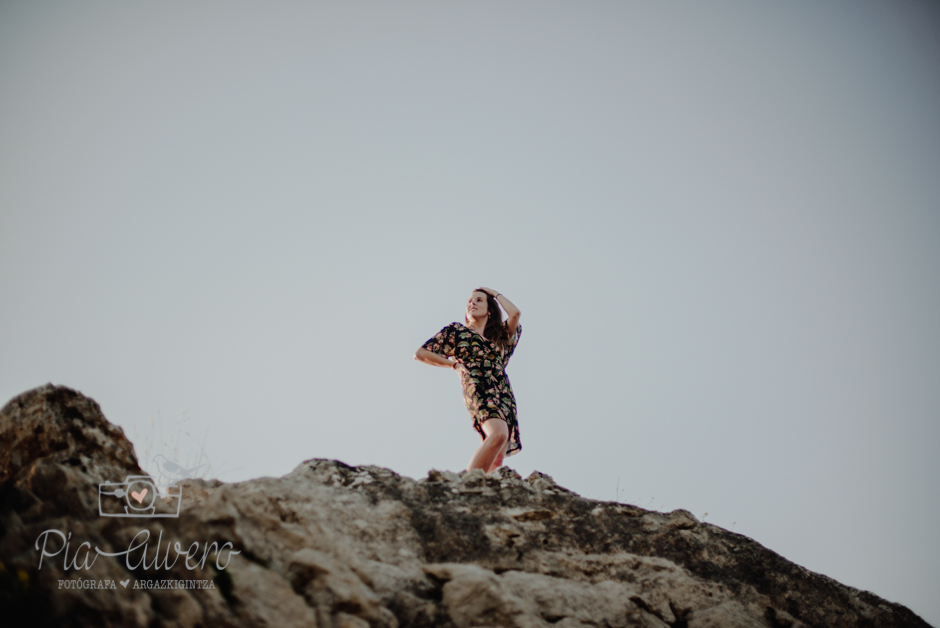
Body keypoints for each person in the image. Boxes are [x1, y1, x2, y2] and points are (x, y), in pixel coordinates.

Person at [415, 288, 522, 474]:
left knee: (497, 456)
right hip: (478, 385)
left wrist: (493, 293)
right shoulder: (457, 331)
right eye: (470, 301)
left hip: (503, 393)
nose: (472, 303)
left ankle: (485, 495)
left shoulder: (500, 339)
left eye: (479, 300)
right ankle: (467, 485)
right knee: (498, 435)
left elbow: (515, 313)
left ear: (490, 310)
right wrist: (453, 365)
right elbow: (421, 353)